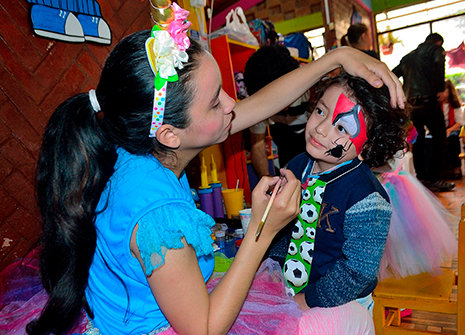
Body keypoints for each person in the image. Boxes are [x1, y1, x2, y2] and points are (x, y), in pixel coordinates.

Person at [1, 3, 406, 334]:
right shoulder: (158, 215)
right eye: (216, 102)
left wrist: (335, 58)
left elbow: (255, 106)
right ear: (171, 134)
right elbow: (203, 329)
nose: (232, 105)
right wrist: (262, 230)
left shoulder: (134, 147)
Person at [268, 71, 408, 316]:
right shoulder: (296, 167)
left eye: (342, 127)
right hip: (288, 292)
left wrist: (308, 300)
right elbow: (284, 233)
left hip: (340, 303)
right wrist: (274, 276)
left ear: (369, 145)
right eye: (321, 111)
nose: (321, 129)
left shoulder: (367, 199)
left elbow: (358, 271)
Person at [392, 33, 454, 192]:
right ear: (439, 42)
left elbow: (393, 74)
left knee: (417, 140)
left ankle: (422, 178)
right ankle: (435, 178)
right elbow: (439, 64)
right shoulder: (435, 49)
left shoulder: (408, 57)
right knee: (439, 136)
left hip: (411, 104)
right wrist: (440, 88)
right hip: (428, 100)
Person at [244, 45, 310, 178]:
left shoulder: (311, 88)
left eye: (278, 99)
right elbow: (257, 145)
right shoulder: (261, 100)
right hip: (288, 159)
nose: (277, 108)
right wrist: (267, 179)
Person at [437, 79, 464, 179]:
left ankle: (456, 167)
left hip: (452, 129)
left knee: (453, 139)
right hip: (439, 130)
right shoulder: (436, 106)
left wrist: (449, 130)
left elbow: (459, 122)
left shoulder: (455, 105)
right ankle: (440, 169)